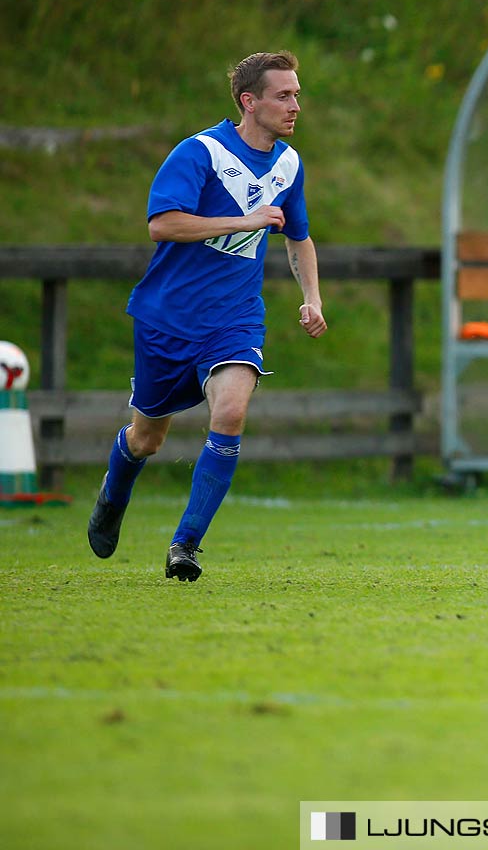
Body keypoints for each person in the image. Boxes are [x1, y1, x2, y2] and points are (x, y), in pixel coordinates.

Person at [86, 53, 327, 582]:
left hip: (234, 318)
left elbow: (299, 236)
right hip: (168, 318)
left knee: (232, 412)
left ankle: (186, 545)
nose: (295, 106)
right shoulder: (201, 152)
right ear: (250, 101)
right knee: (147, 439)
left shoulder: (289, 164)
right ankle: (113, 492)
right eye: (283, 96)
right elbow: (163, 224)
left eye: (297, 94)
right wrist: (244, 220)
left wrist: (311, 296)